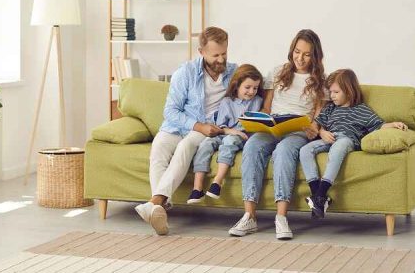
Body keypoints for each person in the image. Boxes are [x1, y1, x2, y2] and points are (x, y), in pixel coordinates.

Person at [134, 27, 236, 235]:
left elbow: (252, 88)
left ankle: (154, 204)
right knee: (159, 147)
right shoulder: (186, 72)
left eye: (224, 53)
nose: (221, 59)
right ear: (201, 52)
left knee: (185, 147)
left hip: (206, 129)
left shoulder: (234, 73)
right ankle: (158, 208)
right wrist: (197, 125)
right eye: (215, 55)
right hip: (182, 125)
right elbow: (170, 111)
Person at [228, 29, 327, 240]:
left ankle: (281, 218)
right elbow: (267, 107)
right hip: (274, 127)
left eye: (307, 54)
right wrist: (256, 119)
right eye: (297, 52)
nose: (300, 58)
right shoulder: (278, 72)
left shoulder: (320, 81)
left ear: (315, 56)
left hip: (298, 130)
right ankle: (249, 216)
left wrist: (314, 127)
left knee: (283, 152)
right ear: (291, 50)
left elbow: (319, 116)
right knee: (252, 146)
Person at [299, 69, 409, 218]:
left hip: (347, 140)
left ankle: (322, 192)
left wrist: (393, 124)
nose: (331, 96)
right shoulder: (330, 108)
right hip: (329, 138)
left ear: (349, 91)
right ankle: (317, 196)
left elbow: (378, 125)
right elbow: (319, 126)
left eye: (336, 92)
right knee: (305, 150)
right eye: (330, 92)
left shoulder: (361, 110)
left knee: (339, 147)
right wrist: (322, 133)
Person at [188, 64, 264, 204]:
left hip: (241, 137)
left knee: (230, 142)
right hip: (224, 132)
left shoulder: (257, 102)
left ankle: (217, 182)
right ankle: (197, 189)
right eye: (247, 87)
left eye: (255, 88)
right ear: (237, 85)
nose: (251, 91)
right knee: (205, 144)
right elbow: (221, 127)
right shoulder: (227, 101)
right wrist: (230, 131)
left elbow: (253, 125)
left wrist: (238, 132)